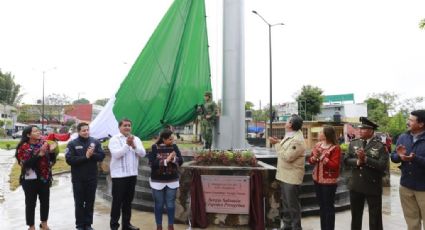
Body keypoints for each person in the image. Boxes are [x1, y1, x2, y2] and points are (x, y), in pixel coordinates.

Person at [344, 117, 388, 230]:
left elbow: (383, 166)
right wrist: (358, 161)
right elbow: (346, 160)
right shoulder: (354, 143)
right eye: (359, 128)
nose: (359, 130)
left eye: (363, 129)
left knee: (375, 217)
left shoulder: (380, 146)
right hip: (356, 184)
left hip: (372, 185)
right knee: (356, 216)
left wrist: (366, 160)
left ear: (371, 131)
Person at [15, 125, 57, 230]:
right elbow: (25, 164)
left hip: (44, 178)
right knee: (30, 203)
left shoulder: (43, 144)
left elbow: (51, 161)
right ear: (28, 135)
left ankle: (44, 223)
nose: (39, 132)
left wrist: (51, 152)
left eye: (38, 131)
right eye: (35, 131)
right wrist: (40, 154)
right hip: (30, 180)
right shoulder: (23, 147)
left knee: (45, 202)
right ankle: (31, 226)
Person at [269, 114, 306, 230]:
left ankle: (296, 227)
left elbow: (288, 156)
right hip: (285, 175)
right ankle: (287, 225)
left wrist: (276, 144)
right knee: (286, 204)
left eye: (287, 121)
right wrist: (279, 142)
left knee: (292, 206)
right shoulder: (291, 135)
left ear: (290, 124)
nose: (285, 122)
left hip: (292, 177)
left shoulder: (297, 140)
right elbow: (286, 147)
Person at [65, 122, 105, 230]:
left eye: (87, 130)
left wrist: (92, 155)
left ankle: (88, 224)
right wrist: (85, 157)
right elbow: (69, 160)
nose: (86, 132)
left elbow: (102, 156)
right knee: (79, 203)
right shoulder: (72, 144)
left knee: (90, 202)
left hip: (92, 178)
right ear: (78, 131)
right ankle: (79, 225)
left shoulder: (95, 142)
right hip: (78, 179)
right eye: (83, 130)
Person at [108, 118, 146, 230]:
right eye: (125, 125)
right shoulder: (114, 139)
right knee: (117, 202)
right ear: (119, 127)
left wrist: (134, 146)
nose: (127, 127)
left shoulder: (136, 139)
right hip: (119, 176)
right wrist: (127, 145)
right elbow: (116, 155)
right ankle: (114, 226)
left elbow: (143, 153)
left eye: (129, 125)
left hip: (132, 175)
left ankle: (126, 225)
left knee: (128, 202)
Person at [390, 110, 425, 230]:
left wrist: (415, 158)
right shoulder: (403, 137)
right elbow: (394, 156)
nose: (407, 122)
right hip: (406, 186)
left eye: (411, 120)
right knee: (412, 222)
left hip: (423, 188)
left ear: (421, 124)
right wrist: (399, 157)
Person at [148, 129, 183, 230]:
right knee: (158, 204)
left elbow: (181, 161)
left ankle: (170, 226)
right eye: (170, 139)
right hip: (157, 181)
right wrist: (166, 160)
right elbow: (151, 163)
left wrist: (174, 159)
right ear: (163, 139)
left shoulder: (174, 147)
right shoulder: (154, 148)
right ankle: (159, 226)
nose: (172, 141)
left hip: (172, 180)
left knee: (171, 204)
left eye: (173, 139)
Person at [308, 126, 341, 230]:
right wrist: (315, 157)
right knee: (322, 207)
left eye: (320, 132)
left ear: (326, 135)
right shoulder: (318, 145)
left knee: (328, 207)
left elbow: (335, 165)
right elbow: (310, 161)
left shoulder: (335, 148)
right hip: (317, 180)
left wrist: (322, 157)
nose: (318, 134)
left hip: (329, 182)